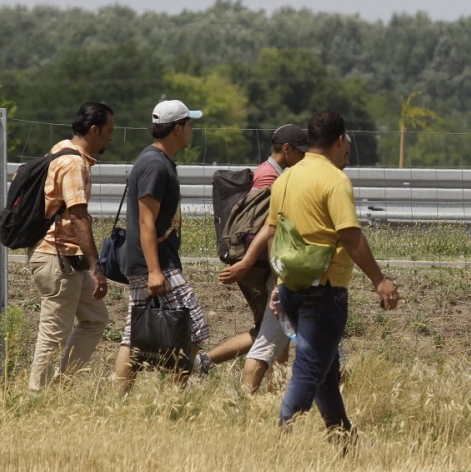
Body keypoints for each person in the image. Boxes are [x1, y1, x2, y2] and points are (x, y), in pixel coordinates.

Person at [252, 111, 397, 436]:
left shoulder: (286, 177)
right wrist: (380, 281)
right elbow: (350, 236)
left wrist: (280, 281)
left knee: (327, 374)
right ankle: (281, 434)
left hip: (292, 288)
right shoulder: (334, 180)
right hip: (324, 291)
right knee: (310, 367)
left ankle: (343, 438)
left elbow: (273, 235)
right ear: (339, 140)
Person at [200, 124, 308, 389]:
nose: (305, 158)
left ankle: (206, 363)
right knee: (275, 330)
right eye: (301, 152)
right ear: (287, 149)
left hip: (261, 265)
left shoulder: (271, 172)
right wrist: (268, 270)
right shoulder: (269, 179)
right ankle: (267, 386)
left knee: (272, 328)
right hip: (262, 266)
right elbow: (266, 229)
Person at [114, 99, 210, 391]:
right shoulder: (155, 165)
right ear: (177, 128)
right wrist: (155, 271)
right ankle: (171, 395)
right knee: (194, 324)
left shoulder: (157, 161)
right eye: (189, 124)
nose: (192, 129)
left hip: (152, 259)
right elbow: (146, 222)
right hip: (152, 263)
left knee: (135, 335)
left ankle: (123, 398)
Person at [26, 102, 114, 391]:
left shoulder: (60, 148)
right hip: (57, 258)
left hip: (65, 257)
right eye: (109, 131)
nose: (110, 137)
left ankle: (60, 389)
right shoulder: (74, 163)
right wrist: (96, 266)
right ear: (94, 130)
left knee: (95, 318)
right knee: (53, 333)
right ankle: (37, 398)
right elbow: (78, 217)